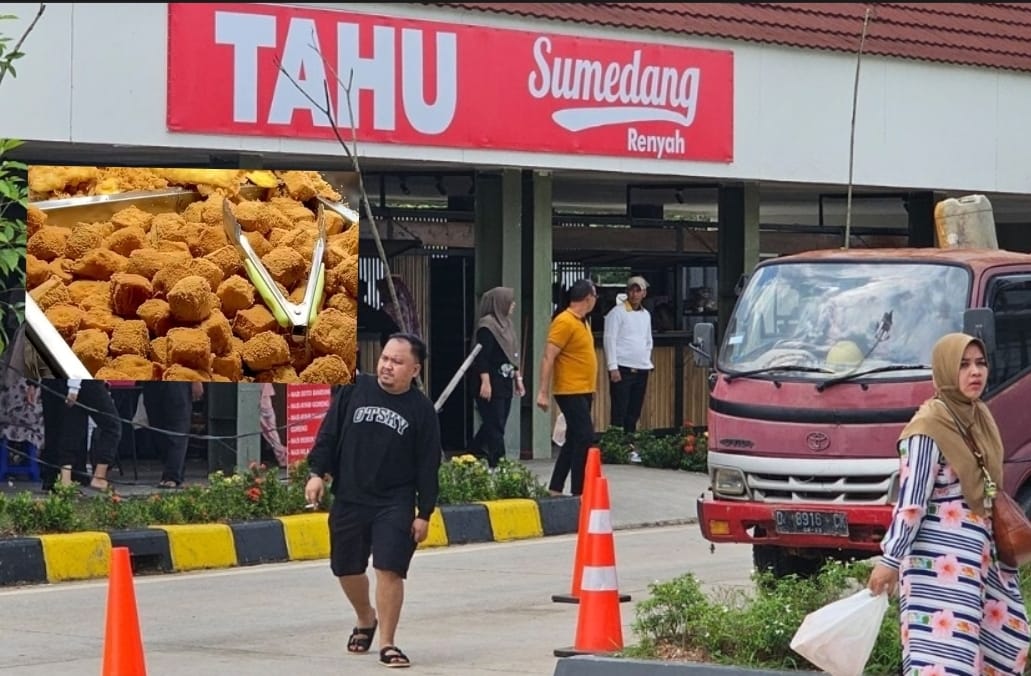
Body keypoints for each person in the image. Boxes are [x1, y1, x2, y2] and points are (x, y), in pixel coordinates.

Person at [867, 332, 1030, 674]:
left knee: (1007, 644)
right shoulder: (927, 428)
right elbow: (911, 503)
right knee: (944, 660)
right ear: (944, 371)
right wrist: (890, 559)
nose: (975, 373)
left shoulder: (977, 418)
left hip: (983, 563)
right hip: (938, 568)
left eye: (980, 364)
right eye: (964, 365)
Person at [304, 333, 442, 669]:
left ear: (414, 369)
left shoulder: (422, 410)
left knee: (389, 569)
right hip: (351, 496)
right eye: (385, 358)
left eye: (397, 362)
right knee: (346, 568)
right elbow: (329, 434)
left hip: (394, 501)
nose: (387, 366)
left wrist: (424, 512)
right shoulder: (354, 389)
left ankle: (388, 643)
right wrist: (316, 473)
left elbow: (428, 465)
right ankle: (366, 617)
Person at [536, 278, 598, 497]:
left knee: (573, 438)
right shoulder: (564, 321)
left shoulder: (583, 321)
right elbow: (548, 356)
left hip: (584, 389)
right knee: (585, 435)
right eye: (595, 296)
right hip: (569, 390)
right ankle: (578, 490)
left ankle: (555, 487)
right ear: (588, 298)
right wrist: (542, 391)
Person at [470, 286, 525, 468]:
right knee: (495, 423)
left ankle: (474, 450)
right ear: (499, 303)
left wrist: (518, 378)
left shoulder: (507, 324)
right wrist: (485, 382)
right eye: (510, 301)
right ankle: (499, 462)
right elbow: (482, 357)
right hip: (490, 381)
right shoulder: (487, 326)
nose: (513, 305)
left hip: (505, 380)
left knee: (497, 421)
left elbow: (512, 353)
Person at [603, 275, 654, 463]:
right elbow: (610, 339)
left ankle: (629, 446)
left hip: (641, 368)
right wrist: (612, 366)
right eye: (631, 289)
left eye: (638, 290)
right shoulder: (617, 313)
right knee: (620, 409)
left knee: (634, 411)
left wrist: (646, 359)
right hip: (623, 369)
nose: (634, 293)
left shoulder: (646, 314)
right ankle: (616, 448)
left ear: (644, 293)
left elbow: (648, 340)